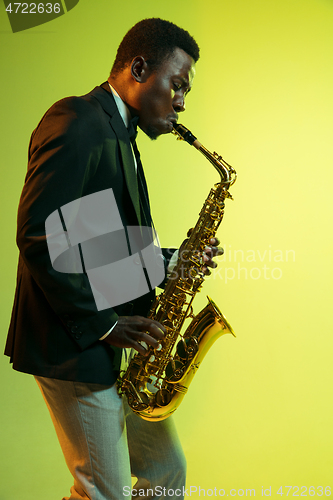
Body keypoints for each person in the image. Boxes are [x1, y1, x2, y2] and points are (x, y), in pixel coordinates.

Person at [5, 18, 221, 500]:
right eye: (177, 85)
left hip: (110, 342)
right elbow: (39, 236)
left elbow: (85, 242)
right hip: (74, 343)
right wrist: (103, 324)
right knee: (102, 493)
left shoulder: (118, 132)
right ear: (139, 68)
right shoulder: (78, 121)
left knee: (165, 473)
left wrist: (170, 263)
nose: (182, 102)